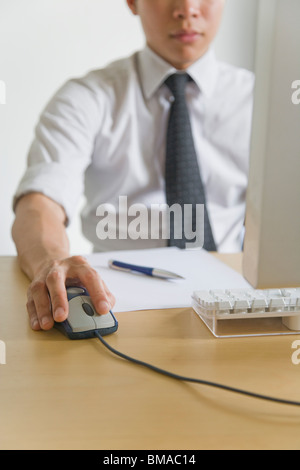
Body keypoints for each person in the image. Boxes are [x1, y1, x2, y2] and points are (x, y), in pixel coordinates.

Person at [11, 0, 254, 332]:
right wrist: (50, 262)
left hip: (235, 303)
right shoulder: (86, 98)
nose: (187, 9)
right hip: (118, 304)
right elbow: (40, 203)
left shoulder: (262, 101)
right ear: (132, 3)